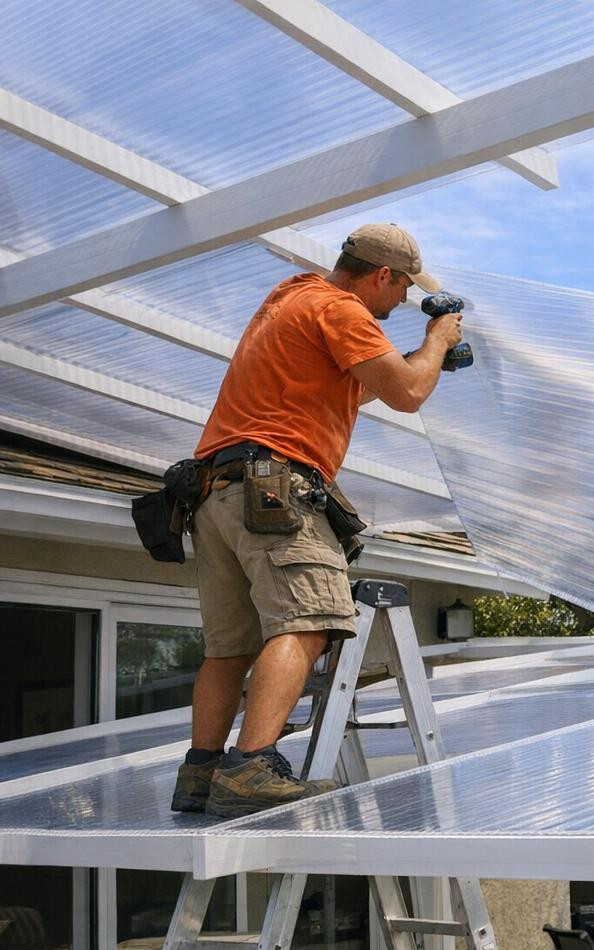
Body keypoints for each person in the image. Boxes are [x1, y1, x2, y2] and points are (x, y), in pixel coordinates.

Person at [171, 223, 462, 818]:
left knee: (230, 648)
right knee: (307, 622)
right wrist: (436, 341)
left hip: (217, 493)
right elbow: (407, 394)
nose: (398, 305)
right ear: (382, 275)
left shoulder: (291, 296)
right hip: (276, 491)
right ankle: (251, 767)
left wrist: (414, 362)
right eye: (402, 291)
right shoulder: (341, 309)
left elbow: (356, 390)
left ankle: (200, 772)